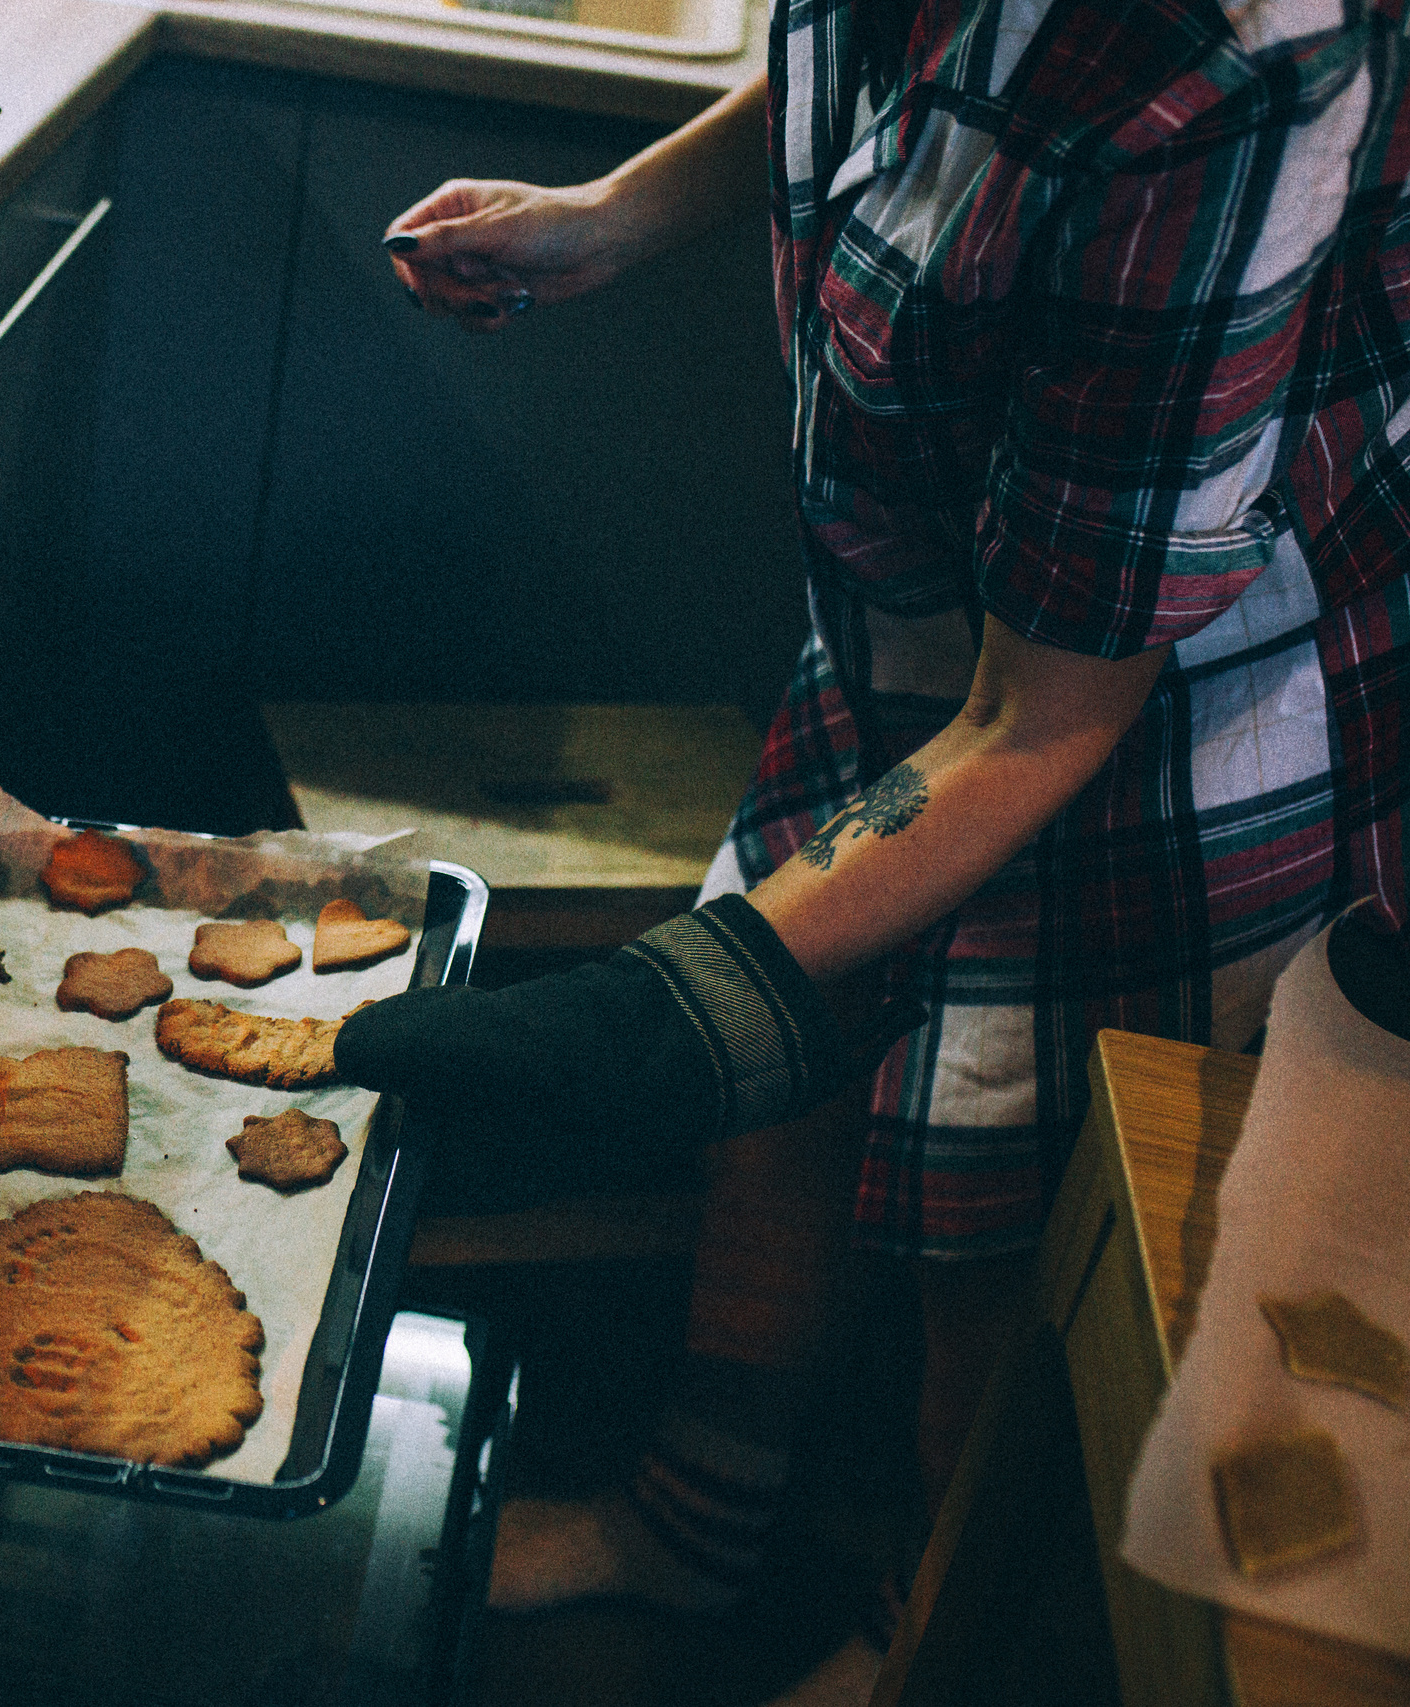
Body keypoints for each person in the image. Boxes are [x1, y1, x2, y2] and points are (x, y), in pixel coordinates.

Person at [336, 0, 1410, 1695]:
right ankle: (689, 1528)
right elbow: (886, 80)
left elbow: (1045, 717)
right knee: (786, 1093)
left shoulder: (1242, 57)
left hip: (1177, 694)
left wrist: (654, 1017)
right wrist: (615, 214)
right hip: (929, 609)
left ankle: (918, 1640)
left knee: (999, 1216)